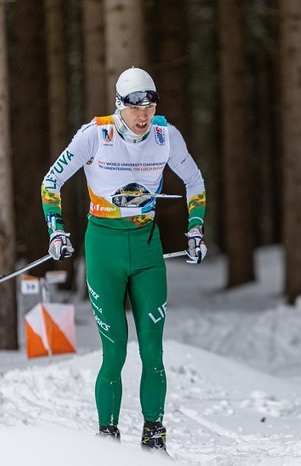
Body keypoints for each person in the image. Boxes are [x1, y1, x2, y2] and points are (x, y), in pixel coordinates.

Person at [40, 66, 206, 453]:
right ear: (120, 106)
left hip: (147, 246)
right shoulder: (96, 135)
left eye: (149, 106)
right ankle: (108, 440)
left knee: (153, 348)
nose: (143, 115)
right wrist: (56, 230)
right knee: (114, 350)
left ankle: (154, 435)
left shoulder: (166, 136)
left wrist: (195, 229)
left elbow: (195, 182)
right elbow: (51, 180)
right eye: (135, 108)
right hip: (104, 247)